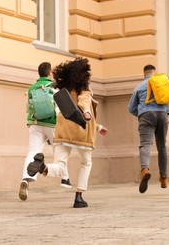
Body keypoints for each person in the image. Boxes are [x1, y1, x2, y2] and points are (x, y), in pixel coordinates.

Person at [27, 57, 108, 208]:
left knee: (60, 165)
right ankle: (79, 195)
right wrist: (87, 113)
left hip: (62, 132)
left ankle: (43, 168)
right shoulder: (85, 90)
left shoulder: (62, 91)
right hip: (81, 133)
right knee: (86, 163)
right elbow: (84, 102)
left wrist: (98, 126)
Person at [128, 65, 169, 193]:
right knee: (162, 147)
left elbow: (131, 108)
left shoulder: (139, 86)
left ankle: (145, 170)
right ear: (155, 73)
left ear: (144, 74)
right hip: (163, 115)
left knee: (145, 144)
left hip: (146, 115)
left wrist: (141, 114)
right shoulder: (163, 80)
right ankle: (164, 177)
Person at [18, 62, 72, 202]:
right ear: (50, 73)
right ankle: (65, 179)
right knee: (59, 150)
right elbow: (61, 107)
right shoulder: (54, 87)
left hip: (34, 123)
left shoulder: (31, 88)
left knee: (32, 152)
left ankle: (26, 179)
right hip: (51, 123)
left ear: (39, 73)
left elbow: (27, 108)